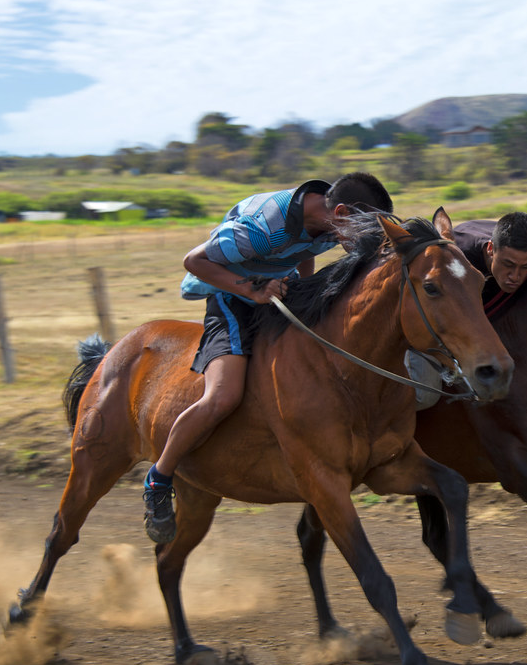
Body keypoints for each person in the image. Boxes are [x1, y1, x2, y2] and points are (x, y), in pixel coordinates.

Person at [143, 172, 394, 543]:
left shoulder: (326, 221)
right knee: (222, 396)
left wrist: (301, 291)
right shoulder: (261, 232)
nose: (369, 240)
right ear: (340, 212)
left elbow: (305, 253)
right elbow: (193, 261)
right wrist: (252, 289)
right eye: (364, 229)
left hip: (270, 290)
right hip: (229, 297)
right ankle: (159, 479)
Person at [405, 211, 527, 409]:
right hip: (429, 325)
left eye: (524, 267)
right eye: (508, 265)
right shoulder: (458, 257)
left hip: (470, 328)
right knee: (424, 395)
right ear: (491, 249)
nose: (515, 276)